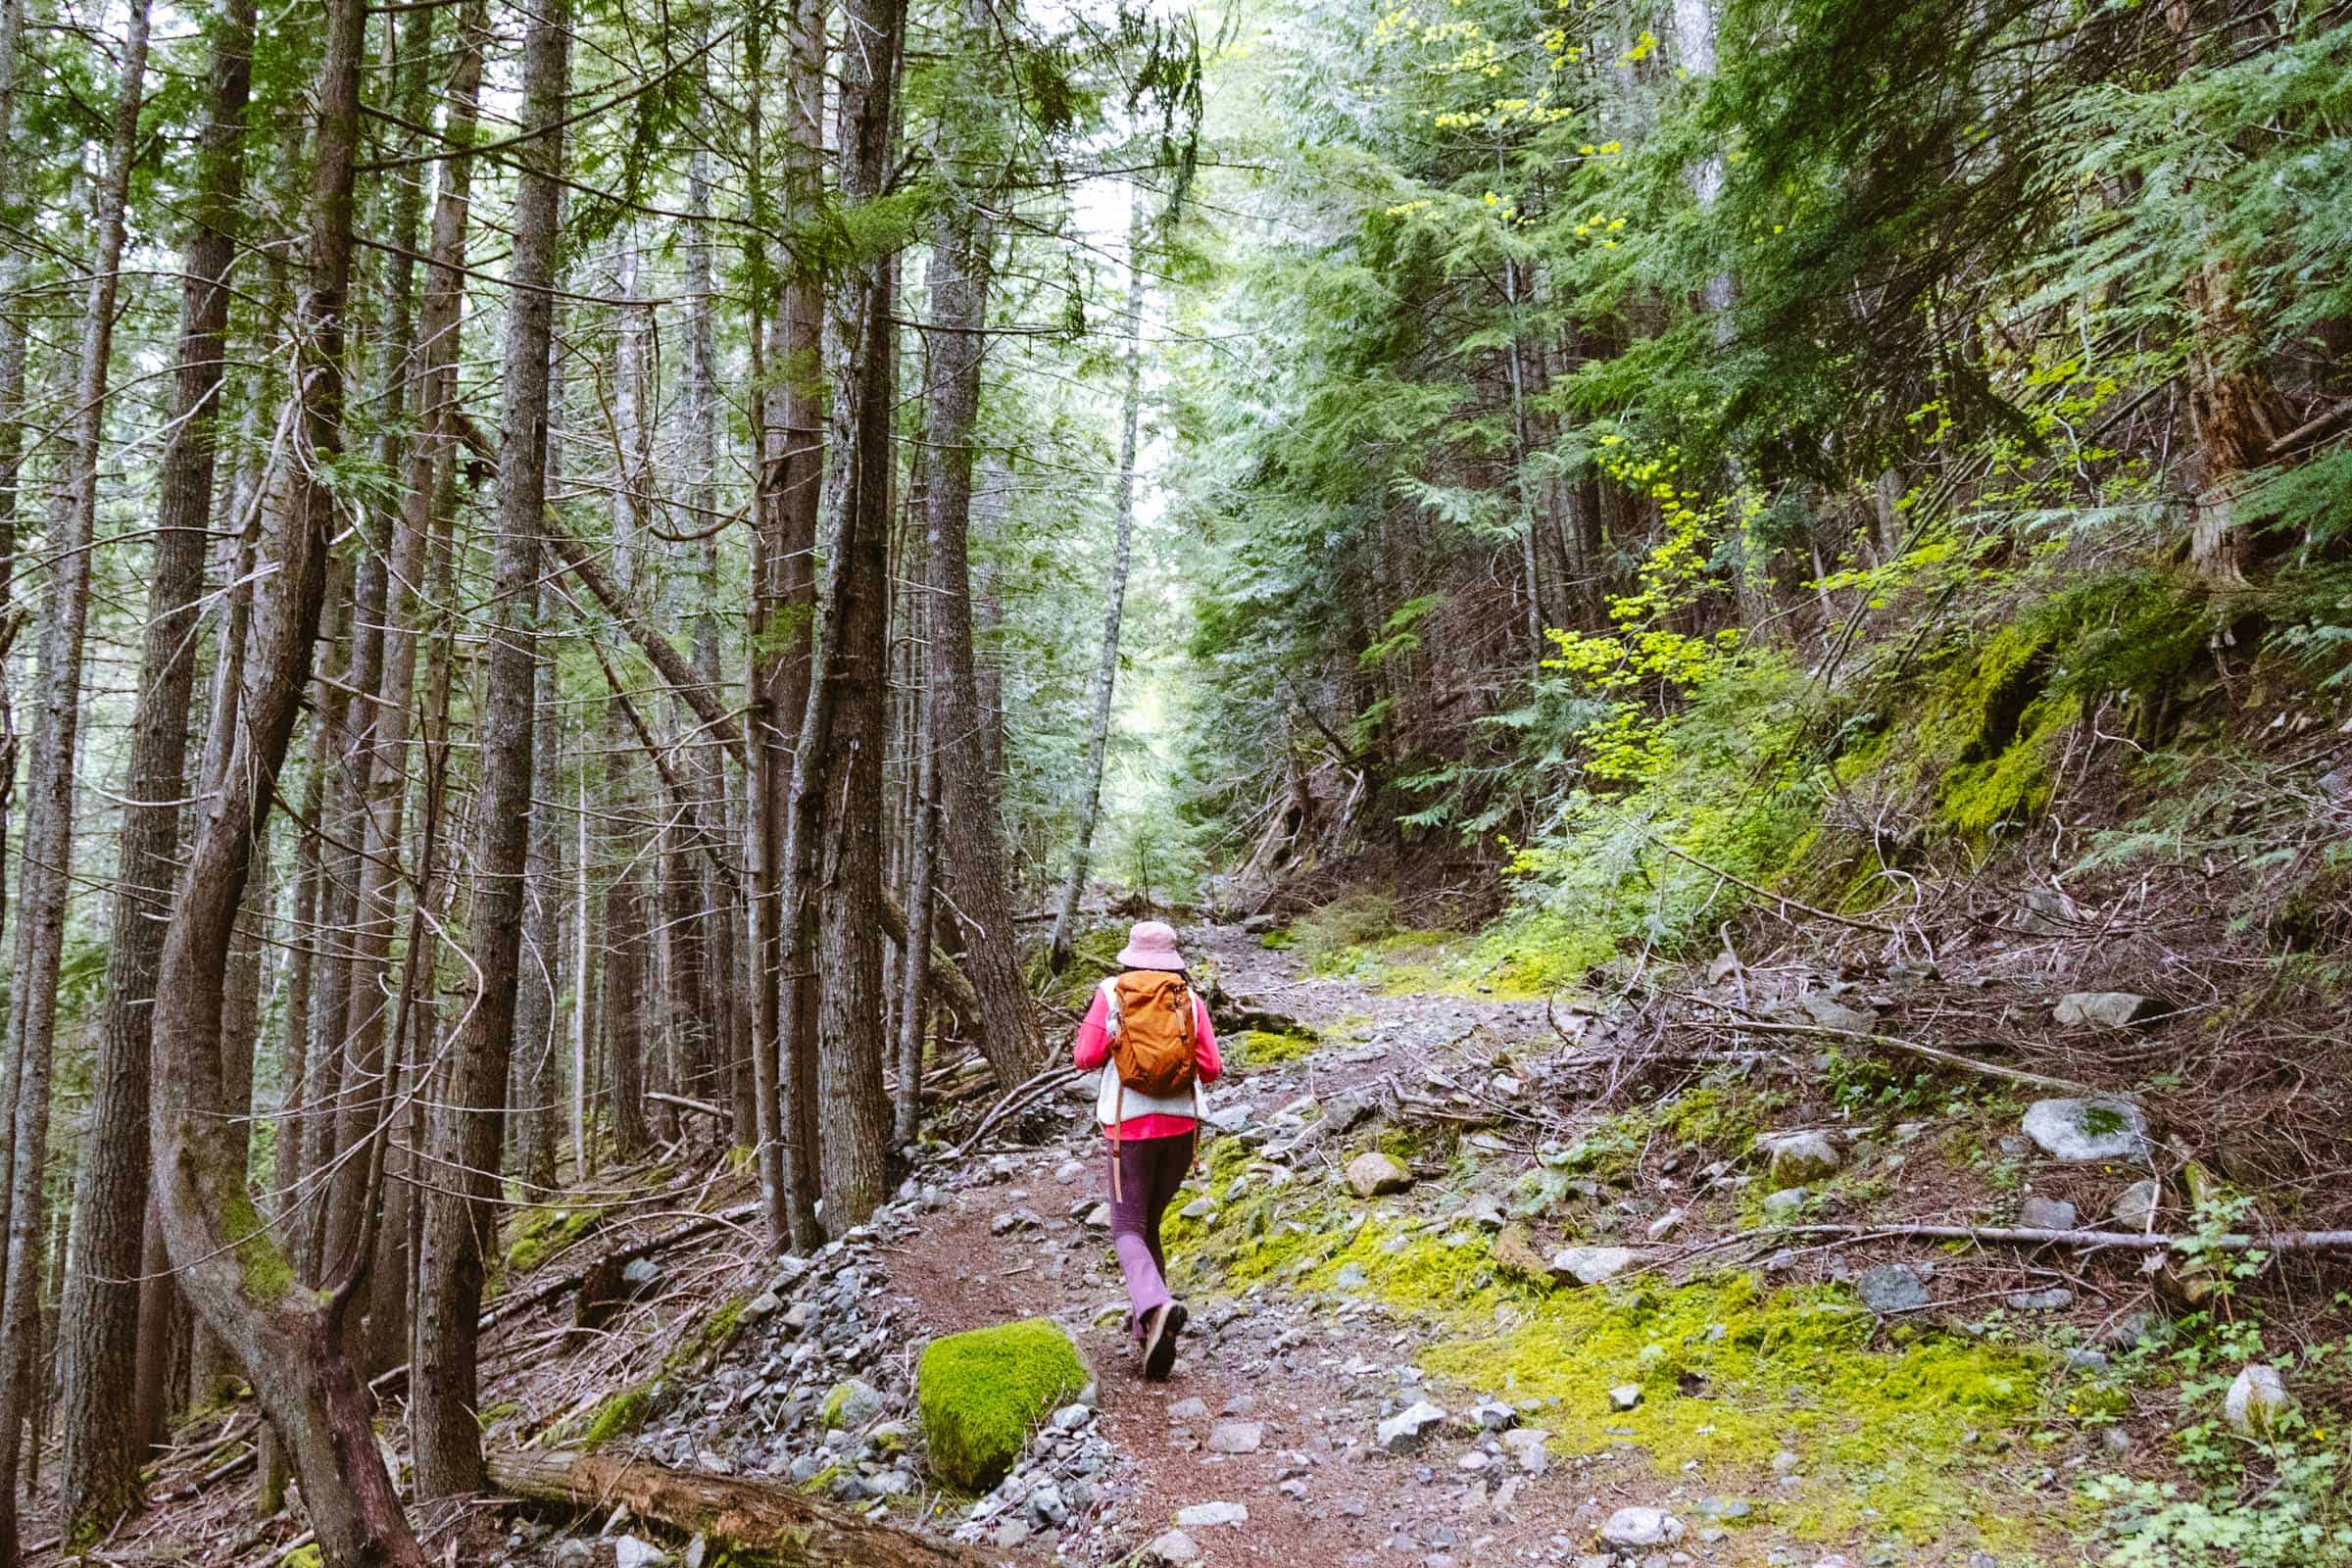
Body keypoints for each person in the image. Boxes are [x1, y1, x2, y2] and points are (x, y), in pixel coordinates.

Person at [1071, 919, 1223, 1381]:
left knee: (1125, 1228)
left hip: (1128, 1126)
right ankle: (1151, 1333)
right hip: (1182, 1128)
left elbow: (1084, 1056)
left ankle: (1155, 1305)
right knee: (1147, 1223)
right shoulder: (1188, 999)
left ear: (1131, 954)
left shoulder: (1111, 991)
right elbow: (1211, 1067)